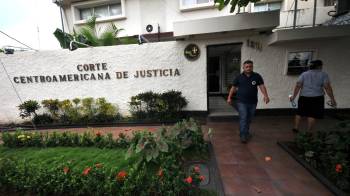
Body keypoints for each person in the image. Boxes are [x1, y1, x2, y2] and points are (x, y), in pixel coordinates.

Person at [227, 60, 270, 143]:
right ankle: (243, 135)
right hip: (241, 101)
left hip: (253, 102)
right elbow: (233, 87)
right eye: (246, 67)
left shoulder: (257, 76)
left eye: (250, 66)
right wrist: (229, 97)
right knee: (243, 117)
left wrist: (266, 96)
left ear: (252, 67)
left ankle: (245, 131)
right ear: (243, 67)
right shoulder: (239, 77)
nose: (248, 68)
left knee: (249, 118)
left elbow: (262, 86)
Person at [289, 60, 336, 133]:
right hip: (317, 98)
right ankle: (309, 131)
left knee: (299, 112)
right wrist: (332, 99)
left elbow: (298, 86)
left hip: (304, 97)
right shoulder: (323, 74)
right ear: (319, 66)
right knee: (312, 114)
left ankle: (295, 128)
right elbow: (327, 87)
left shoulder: (304, 74)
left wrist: (293, 97)